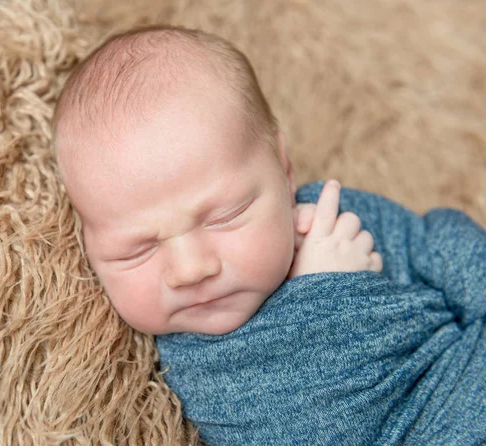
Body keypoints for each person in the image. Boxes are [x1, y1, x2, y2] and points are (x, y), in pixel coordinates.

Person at [53, 26, 486, 446]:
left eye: (226, 215)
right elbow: (305, 433)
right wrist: (323, 296)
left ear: (284, 170)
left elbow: (439, 243)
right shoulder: (188, 360)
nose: (190, 269)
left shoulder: (327, 216)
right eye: (137, 250)